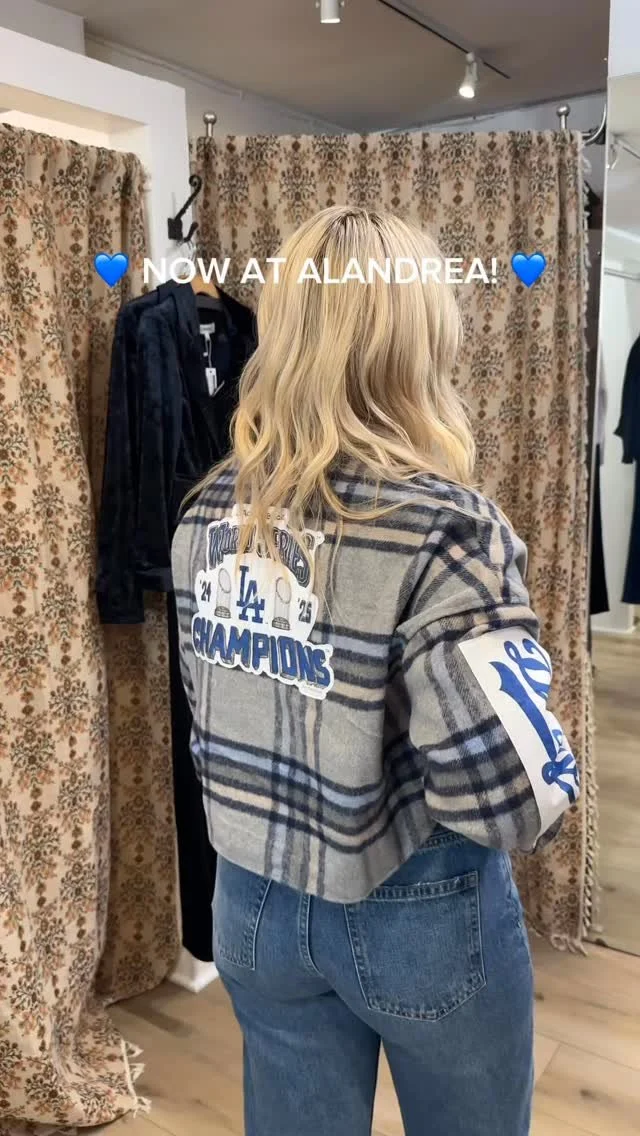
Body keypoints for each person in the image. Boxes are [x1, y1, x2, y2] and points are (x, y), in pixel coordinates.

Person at [171, 206, 579, 1136]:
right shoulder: (447, 530)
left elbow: (210, 718)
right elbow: (510, 802)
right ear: (417, 336)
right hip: (416, 910)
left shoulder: (204, 515)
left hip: (252, 901)